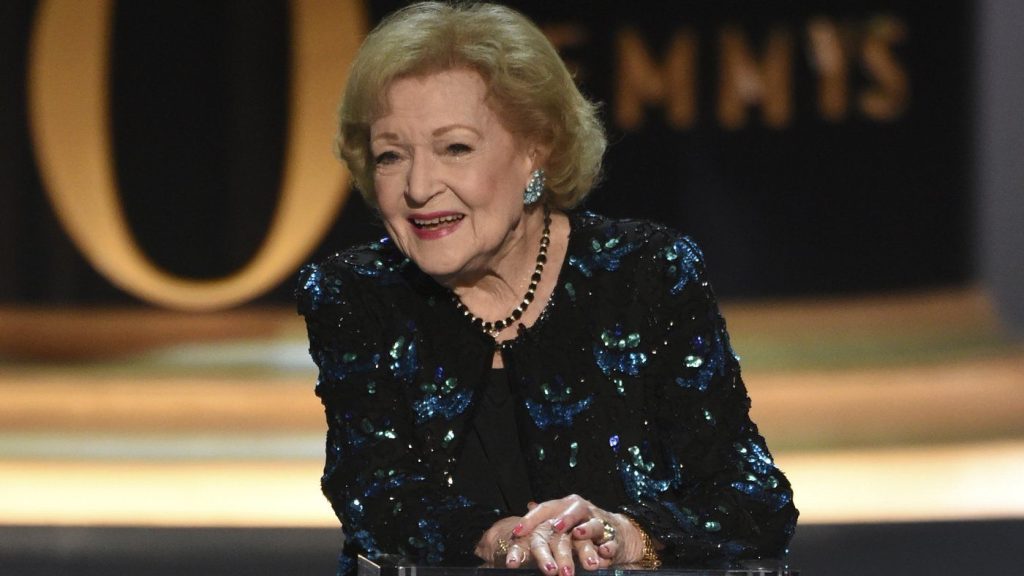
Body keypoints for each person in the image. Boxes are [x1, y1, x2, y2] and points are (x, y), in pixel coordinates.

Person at [297, 3, 798, 575]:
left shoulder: (647, 273)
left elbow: (752, 501)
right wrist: (502, 538)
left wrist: (622, 536)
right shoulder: (356, 294)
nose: (417, 186)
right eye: (391, 156)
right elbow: (377, 498)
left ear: (535, 149)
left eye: (454, 147)